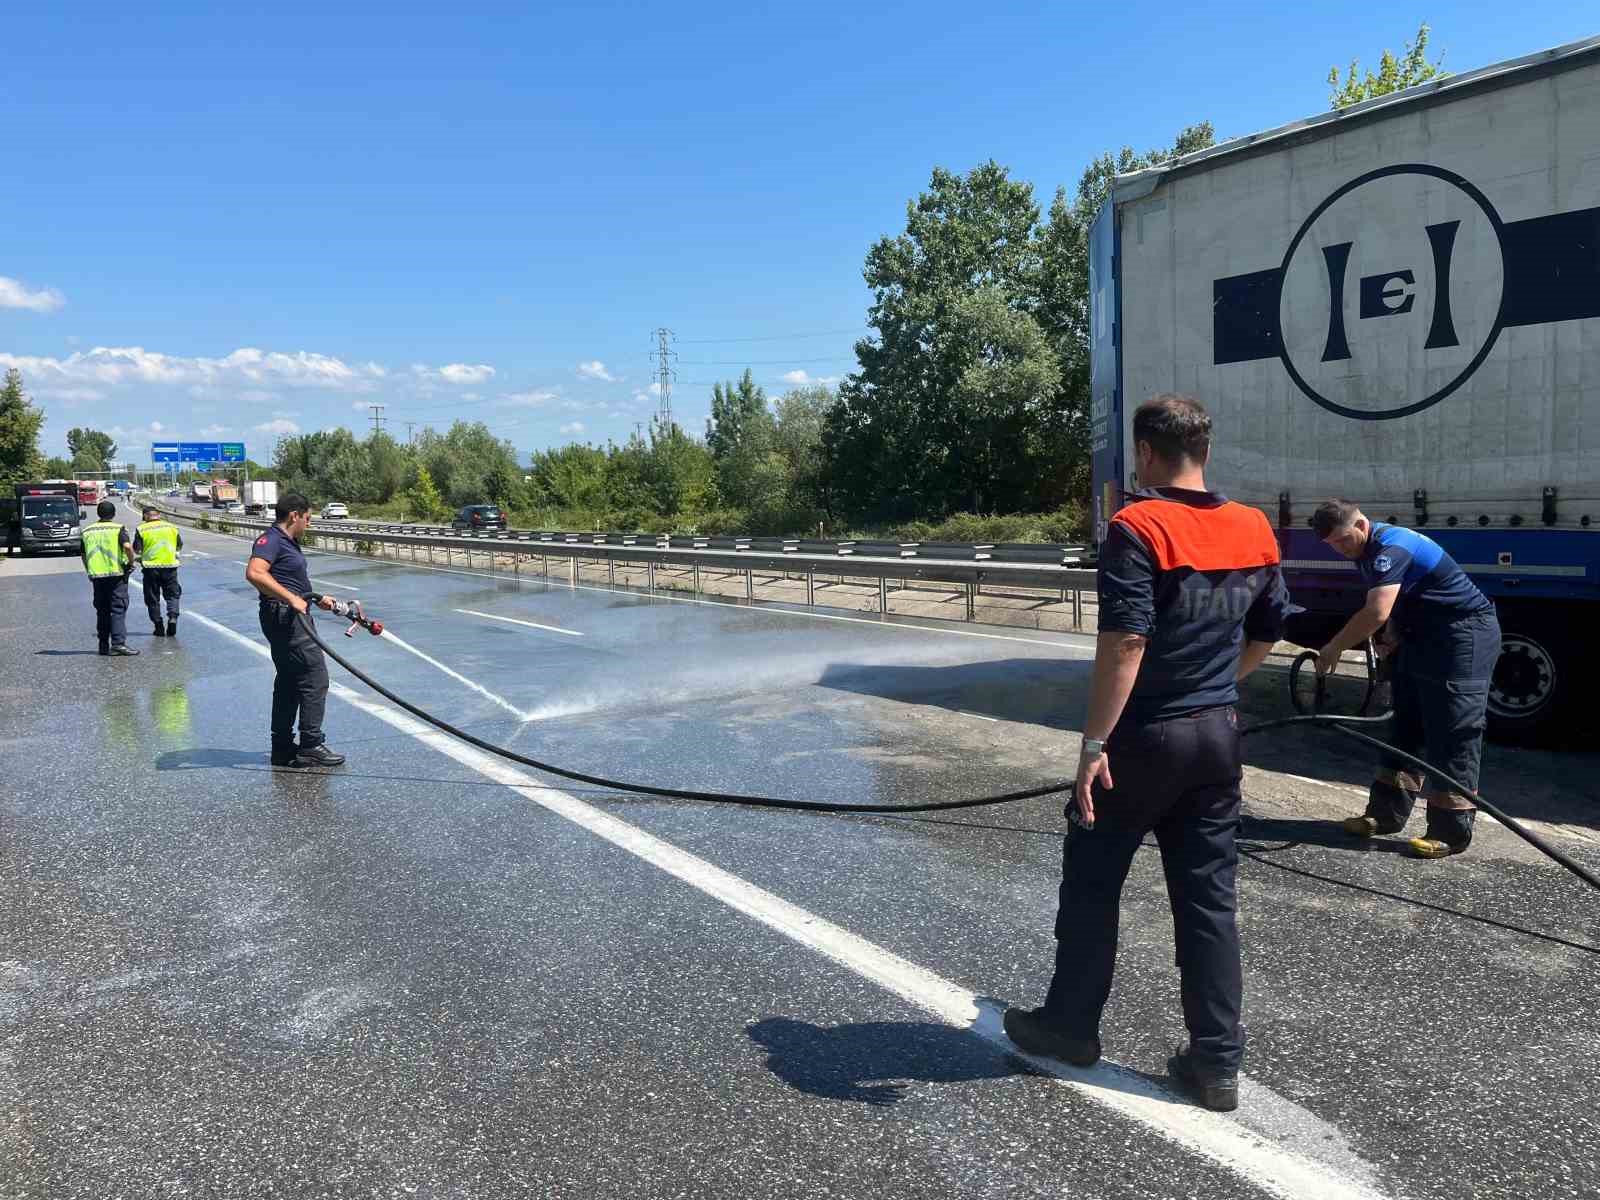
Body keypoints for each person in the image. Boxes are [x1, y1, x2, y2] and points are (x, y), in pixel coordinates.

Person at [1003, 394, 1291, 1114]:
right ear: (1204, 449)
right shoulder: (1254, 526)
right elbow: (1272, 627)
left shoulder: (1138, 525)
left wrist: (1094, 746)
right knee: (1208, 902)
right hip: (1219, 735)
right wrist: (1224, 685)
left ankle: (1069, 1026)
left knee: (1093, 884)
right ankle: (1217, 1064)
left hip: (1146, 739)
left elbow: (1127, 641)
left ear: (1146, 453)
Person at [1312, 500, 1501, 858]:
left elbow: (1377, 609)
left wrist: (1334, 647)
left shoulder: (1391, 547)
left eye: (1342, 540)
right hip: (1424, 632)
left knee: (1452, 727)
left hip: (1464, 633)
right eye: (1332, 546)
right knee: (1407, 722)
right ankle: (1384, 816)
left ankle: (1450, 832)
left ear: (1362, 524)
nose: (1340, 549)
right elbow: (1405, 597)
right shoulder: (1367, 550)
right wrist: (1392, 635)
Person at [244, 492, 344, 769]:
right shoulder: (272, 540)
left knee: (289, 681)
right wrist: (291, 599)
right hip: (286, 618)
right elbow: (255, 573)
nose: (309, 524)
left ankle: (283, 746)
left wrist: (315, 597)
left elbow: (289, 579)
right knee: (314, 676)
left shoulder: (287, 542)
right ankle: (311, 745)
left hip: (287, 615)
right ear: (294, 516)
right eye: (308, 519)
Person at [80, 499, 140, 657]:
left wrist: (89, 570)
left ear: (98, 513)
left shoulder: (87, 531)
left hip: (97, 576)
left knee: (102, 610)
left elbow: (84, 554)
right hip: (116, 575)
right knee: (117, 608)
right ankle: (118, 644)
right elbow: (127, 547)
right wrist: (131, 562)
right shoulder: (118, 528)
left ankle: (103, 645)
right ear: (113, 514)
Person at [134, 502, 183, 638]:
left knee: (152, 597)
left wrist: (140, 557)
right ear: (158, 515)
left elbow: (137, 549)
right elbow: (179, 545)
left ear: (145, 516)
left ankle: (158, 625)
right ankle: (172, 617)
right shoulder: (171, 527)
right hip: (170, 567)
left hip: (150, 568)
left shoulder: (142, 529)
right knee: (172, 594)